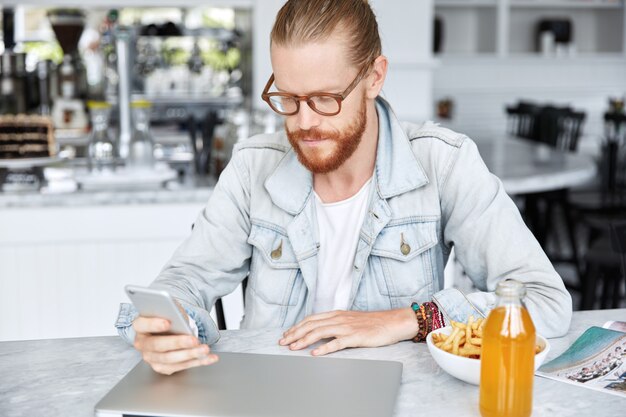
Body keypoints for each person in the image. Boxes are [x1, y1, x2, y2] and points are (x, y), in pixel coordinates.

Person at [116, 0, 572, 375]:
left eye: (325, 99)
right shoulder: (251, 168)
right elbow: (184, 282)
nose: (305, 122)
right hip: (271, 396)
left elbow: (545, 303)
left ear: (374, 77)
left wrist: (408, 320)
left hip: (399, 397)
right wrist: (168, 325)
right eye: (289, 99)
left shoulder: (443, 162)